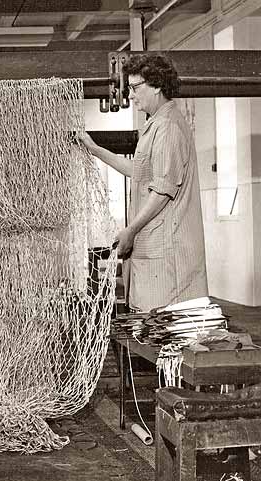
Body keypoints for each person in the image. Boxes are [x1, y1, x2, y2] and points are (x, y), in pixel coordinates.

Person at [80, 53, 207, 312]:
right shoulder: (157, 125)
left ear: (157, 85)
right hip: (155, 251)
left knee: (165, 330)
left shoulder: (168, 127)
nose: (131, 96)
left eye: (136, 88)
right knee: (151, 329)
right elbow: (137, 170)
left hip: (168, 255)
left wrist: (131, 230)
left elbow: (162, 190)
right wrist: (95, 149)